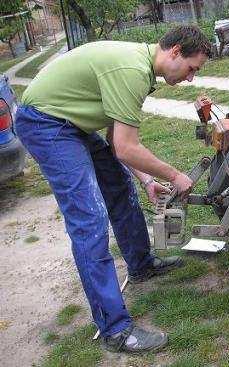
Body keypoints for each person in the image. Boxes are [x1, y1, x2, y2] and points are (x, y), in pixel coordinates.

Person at [15, 25, 212, 353]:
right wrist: (175, 175)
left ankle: (141, 264)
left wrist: (147, 180)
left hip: (71, 122)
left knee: (119, 185)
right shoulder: (133, 70)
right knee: (89, 218)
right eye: (192, 69)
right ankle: (116, 330)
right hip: (47, 123)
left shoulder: (142, 68)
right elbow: (125, 147)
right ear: (175, 52)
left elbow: (115, 140)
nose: (192, 78)